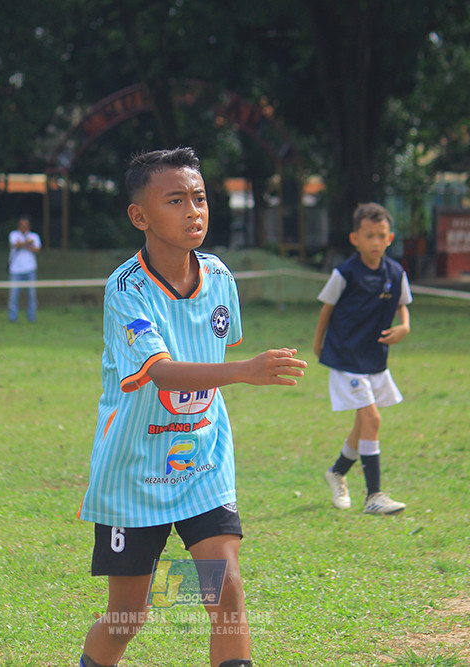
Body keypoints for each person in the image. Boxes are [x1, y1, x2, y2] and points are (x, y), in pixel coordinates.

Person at [77, 147, 307, 667]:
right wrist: (245, 371)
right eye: (176, 200)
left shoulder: (220, 278)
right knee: (128, 616)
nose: (194, 211)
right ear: (140, 216)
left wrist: (236, 372)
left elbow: (211, 352)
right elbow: (160, 371)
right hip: (134, 474)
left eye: (200, 198)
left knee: (226, 594)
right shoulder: (126, 289)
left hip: (201, 464)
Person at [314, 202, 412, 515]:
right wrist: (318, 344)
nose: (375, 242)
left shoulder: (396, 273)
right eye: (369, 236)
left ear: (390, 238)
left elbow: (402, 304)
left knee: (364, 422)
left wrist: (405, 327)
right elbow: (327, 308)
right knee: (373, 419)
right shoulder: (345, 273)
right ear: (355, 239)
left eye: (381, 236)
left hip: (375, 358)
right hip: (346, 358)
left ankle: (338, 472)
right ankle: (374, 496)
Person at [7, 214, 41, 323]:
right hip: (15, 270)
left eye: (26, 225)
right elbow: (15, 244)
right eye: (22, 225)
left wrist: (25, 244)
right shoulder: (13, 234)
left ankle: (31, 317)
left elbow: (37, 248)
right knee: (13, 296)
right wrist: (27, 243)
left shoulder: (34, 236)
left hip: (30, 269)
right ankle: (13, 318)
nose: (24, 227)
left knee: (32, 296)